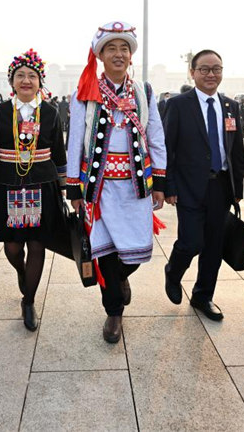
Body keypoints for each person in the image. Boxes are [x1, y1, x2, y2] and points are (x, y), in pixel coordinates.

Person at [66, 21, 166, 343]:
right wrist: (73, 187)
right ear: (101, 55)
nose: (119, 54)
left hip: (136, 187)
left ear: (130, 55)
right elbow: (75, 141)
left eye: (124, 48)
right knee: (105, 254)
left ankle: (121, 280)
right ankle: (113, 312)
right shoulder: (85, 93)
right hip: (99, 188)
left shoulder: (144, 91)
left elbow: (156, 137)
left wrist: (161, 181)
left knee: (136, 252)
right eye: (112, 48)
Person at [0, 49, 67, 331]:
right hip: (7, 184)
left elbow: (59, 152)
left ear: (40, 81)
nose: (26, 81)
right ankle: (21, 271)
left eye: (32, 76)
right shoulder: (0, 113)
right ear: (12, 81)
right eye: (21, 75)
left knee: (37, 244)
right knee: (12, 246)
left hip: (43, 184)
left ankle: (29, 300)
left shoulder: (52, 112)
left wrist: (65, 188)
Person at [163, 50, 244, 321]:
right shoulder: (178, 105)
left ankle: (203, 296)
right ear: (192, 72)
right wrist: (169, 186)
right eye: (205, 69)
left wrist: (237, 191)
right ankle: (173, 272)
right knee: (191, 242)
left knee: (214, 246)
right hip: (188, 186)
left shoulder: (231, 106)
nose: (211, 74)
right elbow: (168, 149)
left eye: (217, 69)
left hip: (220, 187)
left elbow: (237, 152)